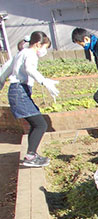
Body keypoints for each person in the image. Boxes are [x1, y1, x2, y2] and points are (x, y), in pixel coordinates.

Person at [0, 32, 59, 168]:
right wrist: (44, 82)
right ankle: (30, 157)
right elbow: (29, 69)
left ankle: (31, 154)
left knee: (36, 124)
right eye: (45, 47)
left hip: (19, 91)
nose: (44, 51)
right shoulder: (30, 54)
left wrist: (1, 81)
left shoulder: (21, 53)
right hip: (20, 92)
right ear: (38, 44)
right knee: (40, 124)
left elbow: (5, 70)